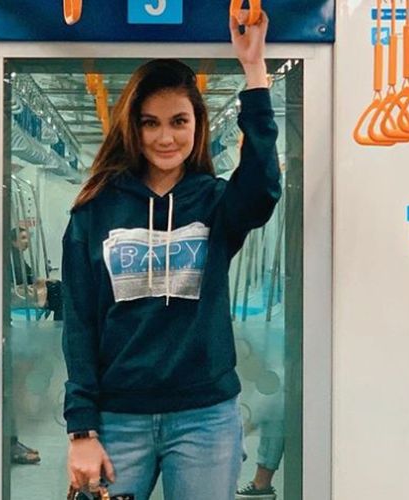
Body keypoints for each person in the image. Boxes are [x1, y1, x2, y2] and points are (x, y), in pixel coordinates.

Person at [61, 10, 279, 500]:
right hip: (118, 419)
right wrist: (81, 430)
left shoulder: (217, 204)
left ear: (197, 125)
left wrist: (254, 70)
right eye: (151, 123)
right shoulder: (94, 211)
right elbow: (79, 326)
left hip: (205, 418)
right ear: (132, 128)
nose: (165, 137)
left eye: (179, 121)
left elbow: (264, 185)